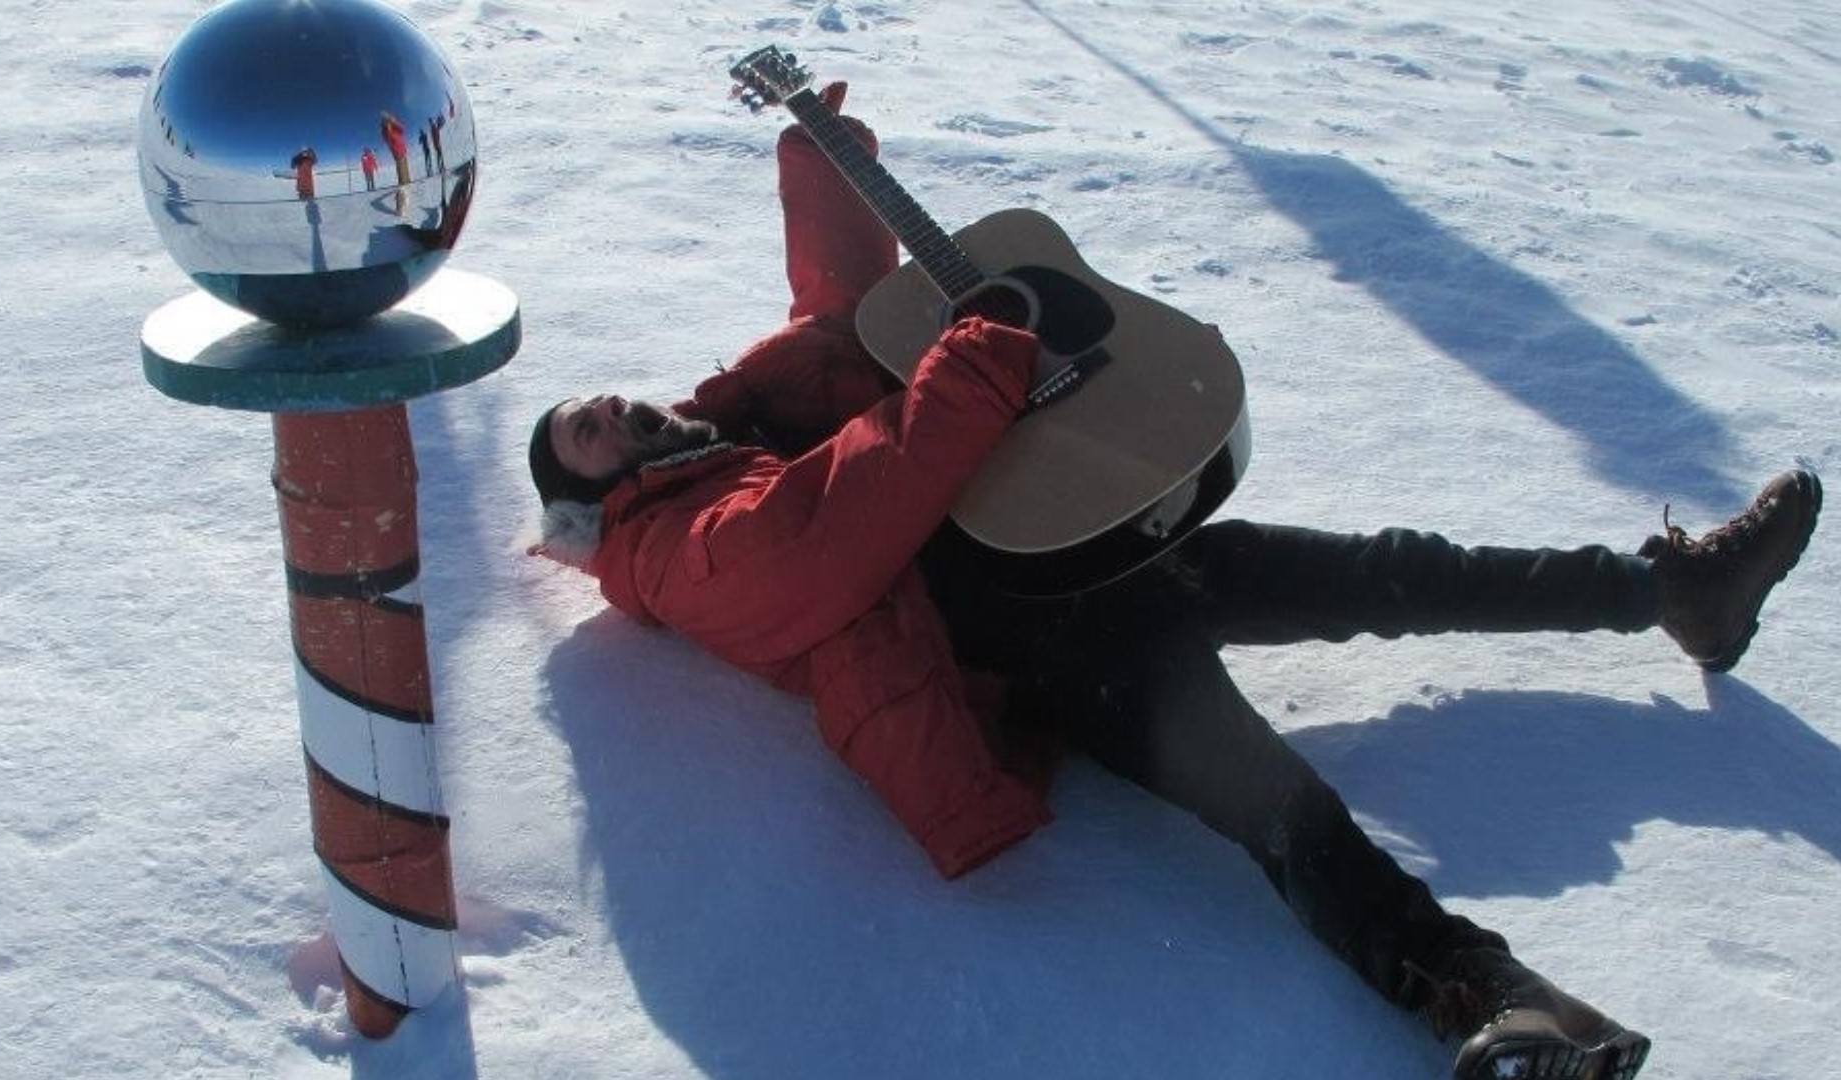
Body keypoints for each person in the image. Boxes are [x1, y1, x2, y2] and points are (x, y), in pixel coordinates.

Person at [524, 84, 1821, 1080]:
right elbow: (831, 528)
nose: (612, 410)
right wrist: (977, 366)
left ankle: (1671, 593)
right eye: (584, 430)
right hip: (1043, 640)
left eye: (599, 399)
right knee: (1278, 804)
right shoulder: (675, 553)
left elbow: (852, 319)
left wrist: (822, 159)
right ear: (592, 500)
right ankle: (1493, 997)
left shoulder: (727, 422)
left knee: (1388, 574)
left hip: (1086, 531)